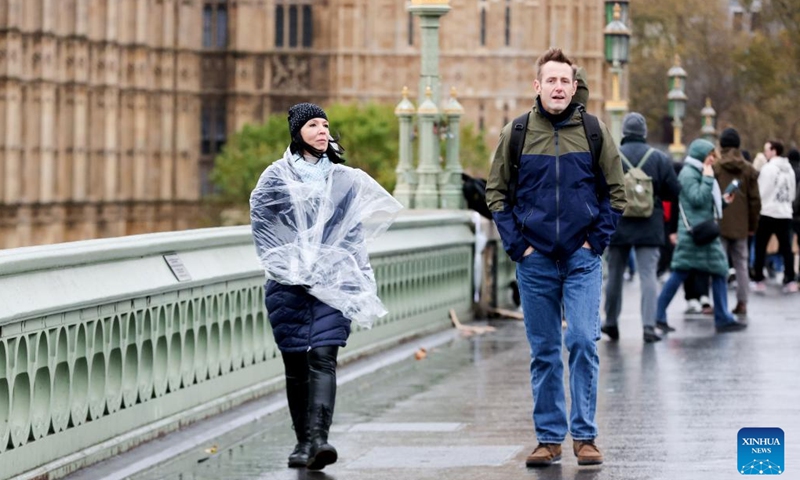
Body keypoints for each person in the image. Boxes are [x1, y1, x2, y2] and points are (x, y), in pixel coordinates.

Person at [486, 48, 626, 467]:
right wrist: (520, 247)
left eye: (565, 81)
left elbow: (615, 194)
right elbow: (496, 193)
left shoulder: (594, 131)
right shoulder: (517, 133)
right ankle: (549, 438)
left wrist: (594, 243)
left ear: (573, 86)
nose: (559, 87)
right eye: (552, 81)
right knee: (544, 351)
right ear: (538, 86)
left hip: (582, 258)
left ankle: (584, 436)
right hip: (536, 260)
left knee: (583, 340)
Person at [249, 103, 402, 470]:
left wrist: (357, 276)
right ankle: (303, 442)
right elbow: (261, 224)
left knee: (322, 357)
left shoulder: (345, 179)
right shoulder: (274, 177)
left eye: (325, 124)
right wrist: (290, 264)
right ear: (297, 131)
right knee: (296, 364)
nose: (321, 130)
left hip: (333, 283)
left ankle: (319, 439)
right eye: (313, 124)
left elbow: (353, 235)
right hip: (289, 285)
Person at [601, 112, 681, 343]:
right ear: (644, 133)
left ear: (624, 132)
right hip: (649, 223)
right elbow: (674, 191)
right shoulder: (658, 158)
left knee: (614, 274)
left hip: (618, 222)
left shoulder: (612, 156)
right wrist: (653, 197)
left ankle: (611, 322)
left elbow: (600, 190)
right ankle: (648, 326)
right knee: (648, 276)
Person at [655, 139, 748, 333]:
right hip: (695, 235)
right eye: (710, 155)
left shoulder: (697, 171)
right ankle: (658, 315)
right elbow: (698, 199)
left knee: (717, 271)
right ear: (700, 155)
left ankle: (721, 317)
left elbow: (706, 205)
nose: (713, 159)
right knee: (682, 273)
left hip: (703, 233)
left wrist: (724, 201)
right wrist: (707, 178)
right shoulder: (689, 173)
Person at [712, 128, 761, 315]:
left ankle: (720, 303)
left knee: (719, 264)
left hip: (720, 222)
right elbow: (755, 200)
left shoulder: (716, 167)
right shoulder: (748, 169)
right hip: (742, 225)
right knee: (741, 265)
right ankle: (742, 302)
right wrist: (752, 226)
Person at [752, 140, 797, 293]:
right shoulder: (789, 168)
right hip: (784, 211)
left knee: (760, 246)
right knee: (786, 248)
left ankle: (758, 278)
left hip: (768, 211)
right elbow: (792, 192)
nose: (765, 153)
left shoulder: (768, 168)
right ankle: (790, 278)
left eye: (766, 150)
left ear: (773, 151)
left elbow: (761, 191)